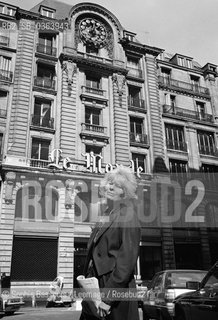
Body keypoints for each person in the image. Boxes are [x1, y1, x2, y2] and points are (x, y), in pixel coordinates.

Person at [79, 166, 141, 320]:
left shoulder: (128, 214)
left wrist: (108, 298)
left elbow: (126, 262)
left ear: (125, 192)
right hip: (94, 287)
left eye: (118, 186)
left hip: (113, 289)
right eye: (110, 183)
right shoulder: (107, 213)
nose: (111, 187)